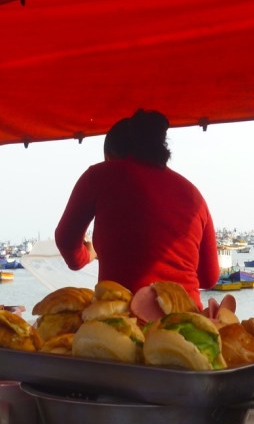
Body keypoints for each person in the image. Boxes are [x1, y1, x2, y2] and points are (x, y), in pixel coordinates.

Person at [55, 109, 220, 308]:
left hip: (125, 322)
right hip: (187, 323)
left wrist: (87, 256)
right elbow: (209, 278)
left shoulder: (99, 176)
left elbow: (65, 240)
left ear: (111, 155)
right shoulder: (195, 195)